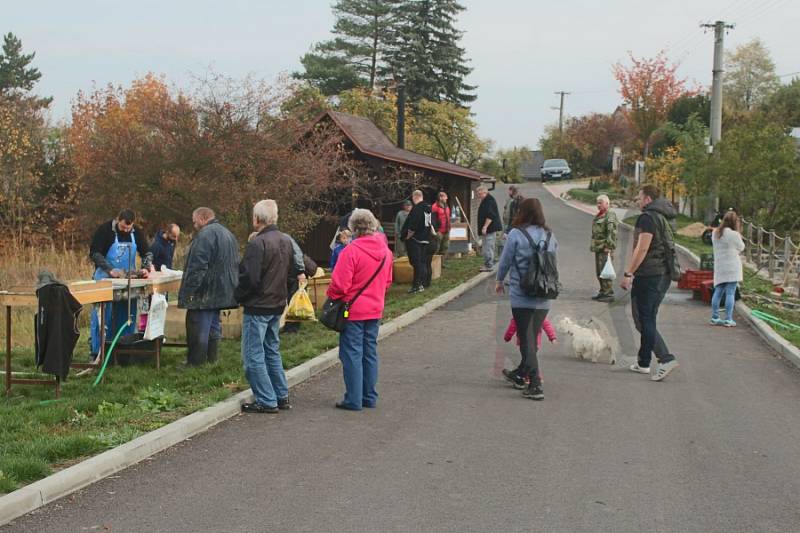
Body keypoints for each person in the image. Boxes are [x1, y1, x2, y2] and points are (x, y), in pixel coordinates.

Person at [326, 208, 393, 411]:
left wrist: (334, 297)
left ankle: (353, 398)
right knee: (369, 352)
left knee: (352, 353)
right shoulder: (385, 252)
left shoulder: (351, 251)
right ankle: (369, 396)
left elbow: (340, 285)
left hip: (353, 310)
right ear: (373, 225)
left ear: (353, 228)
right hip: (375, 308)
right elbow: (388, 281)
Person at [235, 200, 297, 414]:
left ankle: (266, 399)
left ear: (256, 218)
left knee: (253, 354)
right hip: (277, 303)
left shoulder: (257, 243)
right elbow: (291, 273)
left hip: (258, 305)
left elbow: (250, 278)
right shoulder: (285, 240)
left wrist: (238, 296)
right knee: (272, 350)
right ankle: (281, 394)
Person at [495, 198, 558, 401]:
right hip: (544, 294)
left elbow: (505, 260)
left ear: (522, 212)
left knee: (526, 340)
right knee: (532, 335)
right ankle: (520, 374)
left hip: (522, 295)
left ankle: (535, 384)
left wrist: (499, 280)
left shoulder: (516, 234)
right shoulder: (550, 235)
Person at [619, 184, 679, 382]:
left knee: (643, 319)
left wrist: (629, 272)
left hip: (650, 274)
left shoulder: (648, 218)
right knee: (646, 318)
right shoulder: (662, 216)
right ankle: (644, 362)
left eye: (639, 196)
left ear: (647, 199)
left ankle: (666, 358)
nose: (637, 200)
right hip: (662, 273)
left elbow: (642, 249)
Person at [88, 209, 153, 361]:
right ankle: (98, 352)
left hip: (127, 279)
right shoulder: (105, 230)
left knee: (128, 315)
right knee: (102, 316)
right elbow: (95, 253)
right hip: (105, 277)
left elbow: (147, 253)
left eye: (128, 228)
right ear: (118, 220)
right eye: (123, 227)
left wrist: (146, 267)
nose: (125, 230)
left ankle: (123, 350)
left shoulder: (136, 232)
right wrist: (110, 270)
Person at [178, 207, 239, 367]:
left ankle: (195, 363)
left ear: (203, 218)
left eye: (195, 221)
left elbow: (197, 266)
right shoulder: (228, 234)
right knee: (213, 326)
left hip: (205, 292)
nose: (194, 224)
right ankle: (212, 360)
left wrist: (190, 291)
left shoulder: (205, 235)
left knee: (197, 326)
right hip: (222, 290)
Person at [710, 211, 745, 327]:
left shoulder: (715, 232)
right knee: (730, 293)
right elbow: (741, 247)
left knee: (718, 292)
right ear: (735, 223)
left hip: (720, 266)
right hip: (732, 267)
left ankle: (715, 317)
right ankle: (728, 319)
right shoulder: (734, 234)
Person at [503, 315, 557, 385]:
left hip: (524, 343)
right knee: (530, 359)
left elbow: (513, 326)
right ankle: (531, 376)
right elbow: (547, 325)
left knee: (527, 360)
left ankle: (528, 377)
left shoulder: (519, 314)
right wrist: (552, 337)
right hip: (536, 343)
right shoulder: (539, 314)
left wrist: (507, 337)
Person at [401, 190, 433, 293]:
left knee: (416, 262)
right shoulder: (428, 207)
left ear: (415, 197)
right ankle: (424, 283)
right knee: (423, 262)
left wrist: (408, 236)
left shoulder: (417, 208)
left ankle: (416, 285)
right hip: (425, 238)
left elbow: (413, 224)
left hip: (415, 239)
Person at [590, 194, 618, 303]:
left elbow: (612, 232)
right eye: (597, 203)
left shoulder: (610, 215)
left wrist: (609, 246)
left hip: (605, 248)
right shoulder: (600, 215)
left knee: (605, 270)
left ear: (607, 203)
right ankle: (603, 291)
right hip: (599, 247)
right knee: (600, 271)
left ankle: (608, 293)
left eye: (600, 203)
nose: (598, 205)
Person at [477, 185, 503, 272]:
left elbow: (490, 215)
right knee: (487, 246)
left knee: (488, 246)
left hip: (490, 228)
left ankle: (489, 265)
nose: (478, 195)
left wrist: (485, 227)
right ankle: (488, 263)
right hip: (489, 228)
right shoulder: (486, 200)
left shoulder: (489, 200)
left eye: (480, 194)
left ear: (485, 192)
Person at [431, 191, 451, 267]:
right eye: (445, 196)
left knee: (445, 247)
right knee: (436, 248)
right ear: (440, 197)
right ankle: (433, 265)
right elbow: (432, 220)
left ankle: (442, 263)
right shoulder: (434, 207)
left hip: (446, 230)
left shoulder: (446, 205)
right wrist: (436, 231)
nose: (447, 198)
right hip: (439, 231)